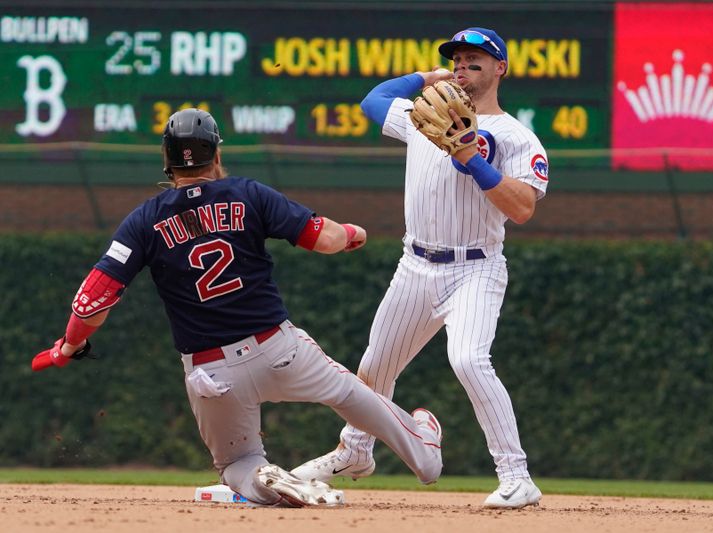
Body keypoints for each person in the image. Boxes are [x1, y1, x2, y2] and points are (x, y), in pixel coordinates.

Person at [31, 108, 443, 508]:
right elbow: (326, 239)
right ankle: (423, 456)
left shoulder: (144, 221)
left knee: (236, 463)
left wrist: (68, 345)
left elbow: (93, 298)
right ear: (218, 154)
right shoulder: (248, 194)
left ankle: (267, 481)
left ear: (167, 161)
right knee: (353, 395)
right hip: (279, 349)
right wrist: (353, 233)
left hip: (211, 371)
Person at [291, 27, 548, 509]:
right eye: (457, 60)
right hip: (416, 265)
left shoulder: (516, 136)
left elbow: (522, 208)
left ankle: (516, 475)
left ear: (500, 69)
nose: (463, 66)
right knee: (373, 367)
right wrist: (424, 76)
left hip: (476, 267)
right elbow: (373, 100)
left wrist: (472, 157)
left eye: (476, 60)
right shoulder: (422, 117)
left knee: (469, 359)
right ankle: (356, 451)